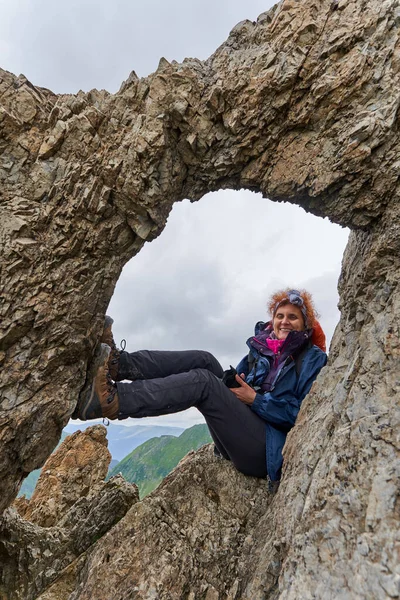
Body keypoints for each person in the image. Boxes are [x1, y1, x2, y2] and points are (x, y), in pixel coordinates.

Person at [72, 289, 327, 484]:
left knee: (203, 382)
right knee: (204, 359)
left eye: (292, 317)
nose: (284, 321)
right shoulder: (262, 348)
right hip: (244, 427)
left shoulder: (313, 358)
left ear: (306, 324)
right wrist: (237, 386)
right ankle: (118, 365)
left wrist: (255, 400)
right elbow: (240, 381)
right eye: (279, 316)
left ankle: (112, 400)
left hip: (265, 450)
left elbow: (302, 418)